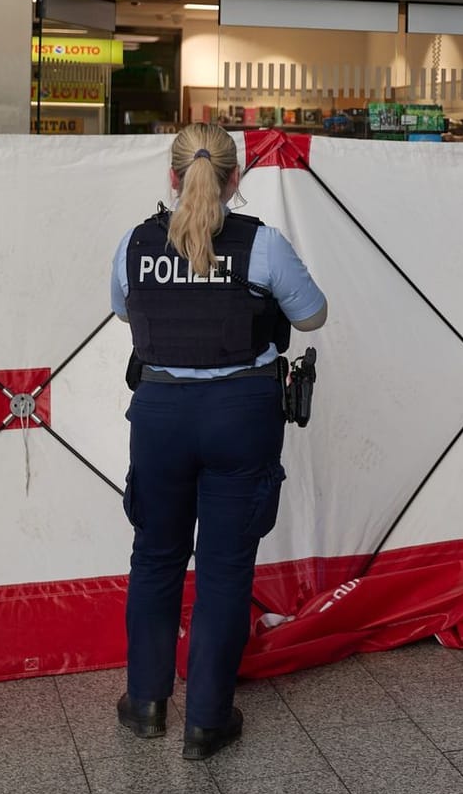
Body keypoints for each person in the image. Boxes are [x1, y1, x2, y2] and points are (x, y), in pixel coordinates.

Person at [110, 123, 328, 759]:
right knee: (225, 568)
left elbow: (127, 311)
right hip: (240, 411)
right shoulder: (261, 244)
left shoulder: (134, 242)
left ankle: (146, 704)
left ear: (172, 178)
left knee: (155, 558)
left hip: (159, 415)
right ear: (236, 179)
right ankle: (206, 719)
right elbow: (313, 315)